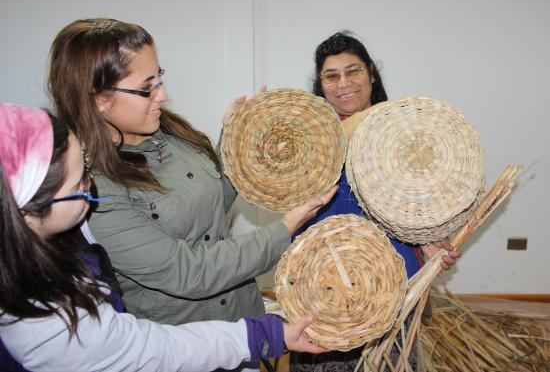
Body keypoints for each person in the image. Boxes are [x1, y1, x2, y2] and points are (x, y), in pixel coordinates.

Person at [46, 18, 336, 334]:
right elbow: (187, 271)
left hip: (241, 322)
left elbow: (210, 208)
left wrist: (239, 141)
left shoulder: (170, 132)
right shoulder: (93, 189)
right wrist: (286, 227)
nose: (162, 94)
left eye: (159, 78)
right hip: (186, 345)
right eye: (147, 88)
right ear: (98, 99)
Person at [0, 103, 328, 372]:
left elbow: (203, 210)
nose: (91, 185)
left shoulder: (56, 231)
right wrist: (266, 333)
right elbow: (160, 348)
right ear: (25, 214)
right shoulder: (48, 325)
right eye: (78, 186)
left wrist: (236, 147)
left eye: (85, 166)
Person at [290, 31, 461, 372]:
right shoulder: (308, 139)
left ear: (370, 73)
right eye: (331, 76)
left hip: (394, 285)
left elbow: (419, 206)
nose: (344, 84)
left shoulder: (403, 135)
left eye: (352, 71)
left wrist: (428, 243)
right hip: (325, 286)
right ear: (321, 85)